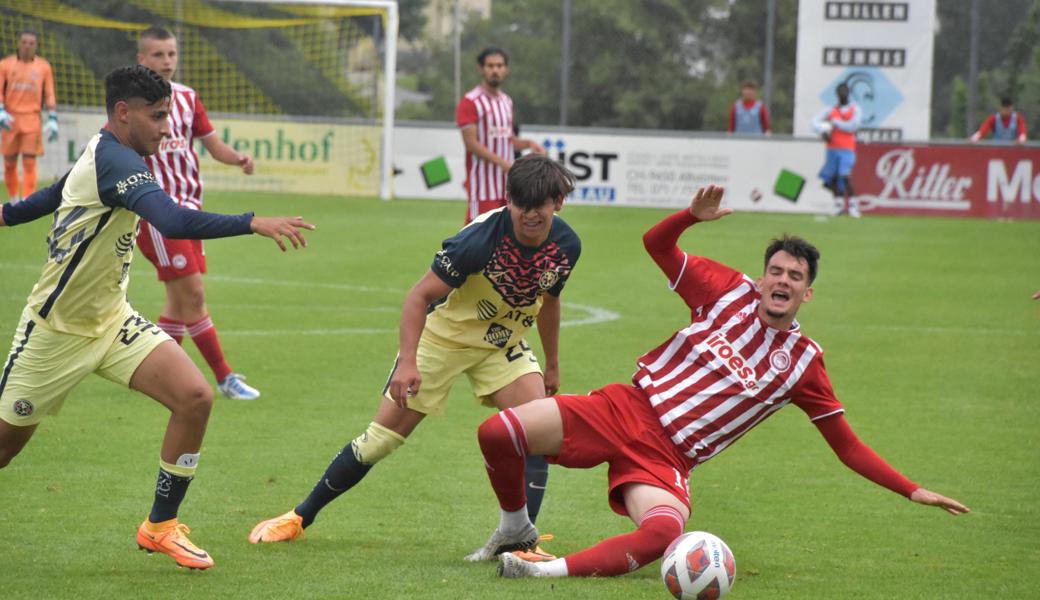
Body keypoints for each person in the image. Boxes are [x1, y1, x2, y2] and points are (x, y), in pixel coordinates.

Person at [470, 185, 970, 579]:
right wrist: (689, 217)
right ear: (760, 279)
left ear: (806, 294)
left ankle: (538, 571)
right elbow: (655, 244)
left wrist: (912, 490)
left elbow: (847, 447)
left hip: (667, 458)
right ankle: (516, 528)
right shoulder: (725, 290)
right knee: (497, 433)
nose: (781, 281)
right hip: (626, 407)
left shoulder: (803, 365)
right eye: (775, 271)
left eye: (794, 277)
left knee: (664, 533)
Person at [0, 65, 313, 570]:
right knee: (4, 450)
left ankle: (160, 527)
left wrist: (5, 214)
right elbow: (170, 219)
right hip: (54, 334)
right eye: (158, 116)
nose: (168, 127)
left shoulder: (104, 152)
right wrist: (252, 221)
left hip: (111, 322)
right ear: (123, 113)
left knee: (194, 397)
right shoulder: (119, 161)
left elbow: (55, 193)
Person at [249, 154, 580, 563]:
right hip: (442, 340)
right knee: (380, 441)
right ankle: (300, 516)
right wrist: (408, 362)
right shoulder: (477, 241)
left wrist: (552, 363)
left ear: (558, 203)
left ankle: (521, 542)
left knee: (537, 430)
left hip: (501, 343)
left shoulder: (566, 245)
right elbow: (418, 296)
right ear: (508, 200)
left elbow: (550, 302)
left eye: (541, 206)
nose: (531, 214)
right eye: (522, 204)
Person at [129, 26, 261, 401]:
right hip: (156, 213)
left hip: (191, 212)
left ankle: (153, 374)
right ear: (142, 59)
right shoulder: (132, 105)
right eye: (158, 55)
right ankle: (225, 377)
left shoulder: (187, 98)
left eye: (171, 54)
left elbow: (212, 144)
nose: (167, 61)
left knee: (178, 303)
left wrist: (238, 159)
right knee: (195, 296)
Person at [456, 47, 545, 224]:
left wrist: (528, 143)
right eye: (490, 66)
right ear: (481, 69)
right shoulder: (470, 102)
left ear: (506, 69)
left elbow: (506, 140)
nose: (495, 70)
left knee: (507, 240)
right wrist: (504, 164)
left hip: (507, 187)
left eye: (499, 65)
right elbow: (471, 144)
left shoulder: (506, 101)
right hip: (482, 188)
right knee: (477, 239)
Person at [0, 28, 57, 202]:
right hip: (10, 119)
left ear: (36, 46)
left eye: (31, 43)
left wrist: (53, 116)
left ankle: (27, 200)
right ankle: (14, 199)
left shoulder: (44, 67)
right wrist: (1, 109)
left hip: (32, 118)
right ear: (18, 43)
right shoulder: (5, 65)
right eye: (24, 42)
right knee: (9, 161)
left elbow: (49, 93)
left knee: (29, 161)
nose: (27, 46)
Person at [812, 82, 861, 218]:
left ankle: (853, 206)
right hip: (832, 148)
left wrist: (835, 123)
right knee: (832, 178)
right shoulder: (830, 110)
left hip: (847, 148)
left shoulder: (854, 109)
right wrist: (823, 130)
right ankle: (839, 205)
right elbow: (814, 122)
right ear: (837, 93)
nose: (843, 93)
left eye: (845, 90)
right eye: (840, 91)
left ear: (849, 93)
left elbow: (852, 126)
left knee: (845, 175)